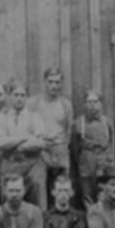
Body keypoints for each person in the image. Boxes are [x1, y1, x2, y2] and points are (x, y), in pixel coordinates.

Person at [0, 82, 48, 209]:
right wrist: (24, 138)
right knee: (8, 202)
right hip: (9, 163)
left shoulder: (35, 116)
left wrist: (17, 145)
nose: (19, 98)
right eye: (16, 95)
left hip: (32, 163)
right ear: (10, 96)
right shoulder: (2, 117)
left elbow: (40, 142)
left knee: (38, 199)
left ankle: (40, 227)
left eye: (23, 95)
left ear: (27, 97)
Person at [27, 68, 73, 208]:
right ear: (45, 82)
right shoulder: (33, 103)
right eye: (51, 82)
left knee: (61, 188)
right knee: (40, 188)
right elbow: (28, 128)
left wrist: (61, 150)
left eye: (57, 82)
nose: (54, 85)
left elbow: (68, 130)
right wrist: (41, 148)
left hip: (60, 150)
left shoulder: (65, 104)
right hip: (40, 151)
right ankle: (43, 222)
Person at [72, 90, 114, 207]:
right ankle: (90, 217)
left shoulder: (107, 122)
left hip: (103, 159)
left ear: (100, 104)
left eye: (95, 101)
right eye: (89, 101)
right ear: (85, 104)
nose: (92, 104)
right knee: (87, 191)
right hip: (86, 159)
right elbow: (75, 148)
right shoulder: (78, 123)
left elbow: (110, 142)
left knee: (103, 189)